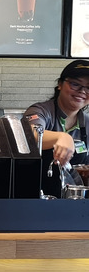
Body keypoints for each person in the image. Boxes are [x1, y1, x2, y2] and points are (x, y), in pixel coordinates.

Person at [25, 60, 89, 196]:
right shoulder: (41, 110)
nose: (82, 91)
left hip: (77, 203)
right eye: (75, 84)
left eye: (88, 87)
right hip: (36, 198)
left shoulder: (87, 123)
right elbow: (28, 134)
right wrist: (61, 137)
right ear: (60, 84)